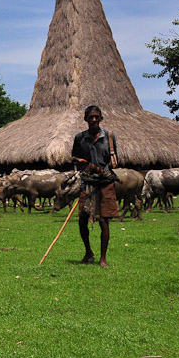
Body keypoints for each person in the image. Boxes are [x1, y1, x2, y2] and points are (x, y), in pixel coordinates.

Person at [71, 105, 120, 267]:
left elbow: (114, 162)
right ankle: (88, 252)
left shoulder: (109, 137)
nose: (93, 119)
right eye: (90, 117)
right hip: (87, 183)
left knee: (104, 221)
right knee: (82, 220)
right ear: (85, 119)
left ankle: (103, 258)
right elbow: (74, 158)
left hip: (105, 183)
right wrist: (81, 165)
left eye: (96, 117)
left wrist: (101, 170)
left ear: (101, 118)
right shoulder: (79, 138)